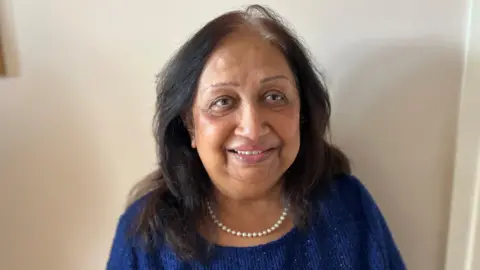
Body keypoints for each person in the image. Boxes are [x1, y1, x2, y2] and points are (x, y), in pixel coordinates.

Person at [107, 4, 405, 270]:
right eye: (223, 101)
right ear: (190, 125)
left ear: (302, 112)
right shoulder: (145, 239)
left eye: (274, 96)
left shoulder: (350, 210)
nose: (251, 128)